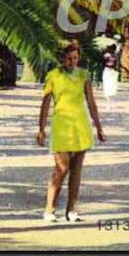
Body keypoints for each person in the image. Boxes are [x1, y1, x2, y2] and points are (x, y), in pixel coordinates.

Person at [37, 44, 106, 223]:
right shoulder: (53, 75)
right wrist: (41, 129)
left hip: (81, 124)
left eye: (75, 58)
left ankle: (71, 210)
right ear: (62, 58)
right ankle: (49, 209)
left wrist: (99, 127)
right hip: (61, 124)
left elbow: (91, 103)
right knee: (61, 169)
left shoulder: (84, 75)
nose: (72, 61)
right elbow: (45, 103)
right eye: (69, 58)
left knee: (76, 171)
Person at [101, 44, 118, 113]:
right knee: (107, 86)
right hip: (107, 71)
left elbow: (116, 64)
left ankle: (112, 102)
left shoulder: (115, 55)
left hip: (112, 72)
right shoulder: (106, 56)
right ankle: (108, 103)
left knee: (112, 86)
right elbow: (103, 63)